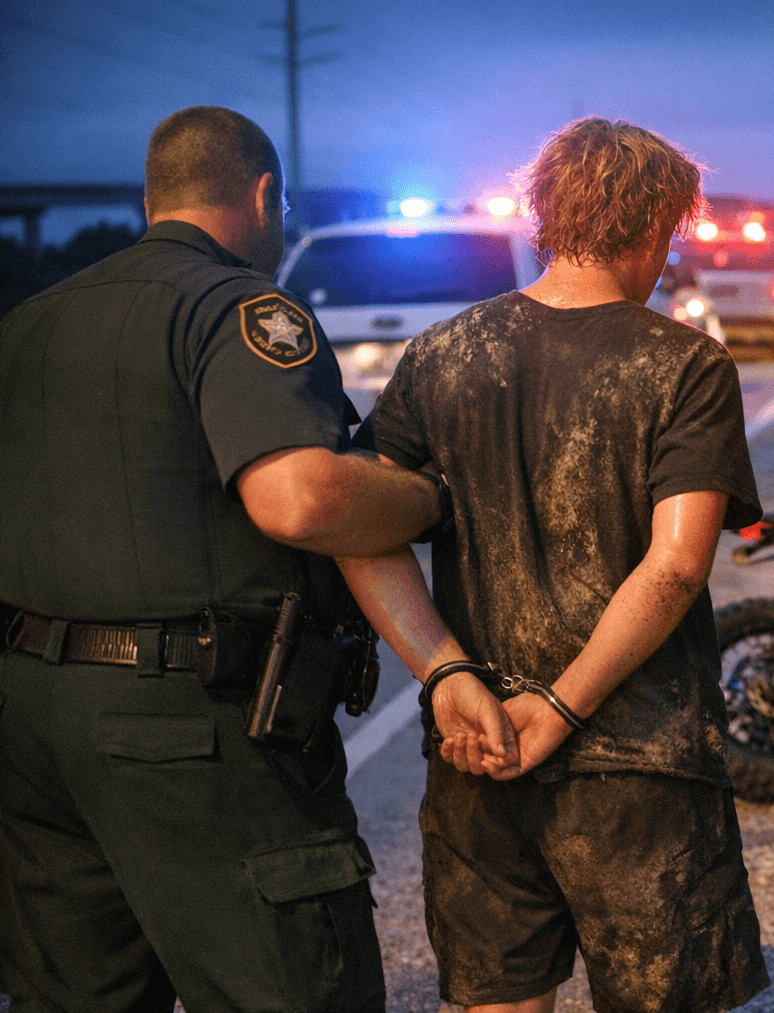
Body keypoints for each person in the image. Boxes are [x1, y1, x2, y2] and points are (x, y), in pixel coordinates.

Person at [0, 106, 448, 1012]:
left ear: (148, 200)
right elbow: (303, 499)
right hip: (193, 734)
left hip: (30, 723)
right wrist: (426, 498)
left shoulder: (30, 324)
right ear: (263, 194)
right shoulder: (236, 306)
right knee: (289, 987)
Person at [336, 117, 770, 1013]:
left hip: (478, 746)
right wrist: (566, 705)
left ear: (542, 214)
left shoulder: (441, 356)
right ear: (657, 224)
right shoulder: (684, 364)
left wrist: (443, 671)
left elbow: (361, 528)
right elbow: (678, 567)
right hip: (640, 760)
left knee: (501, 997)